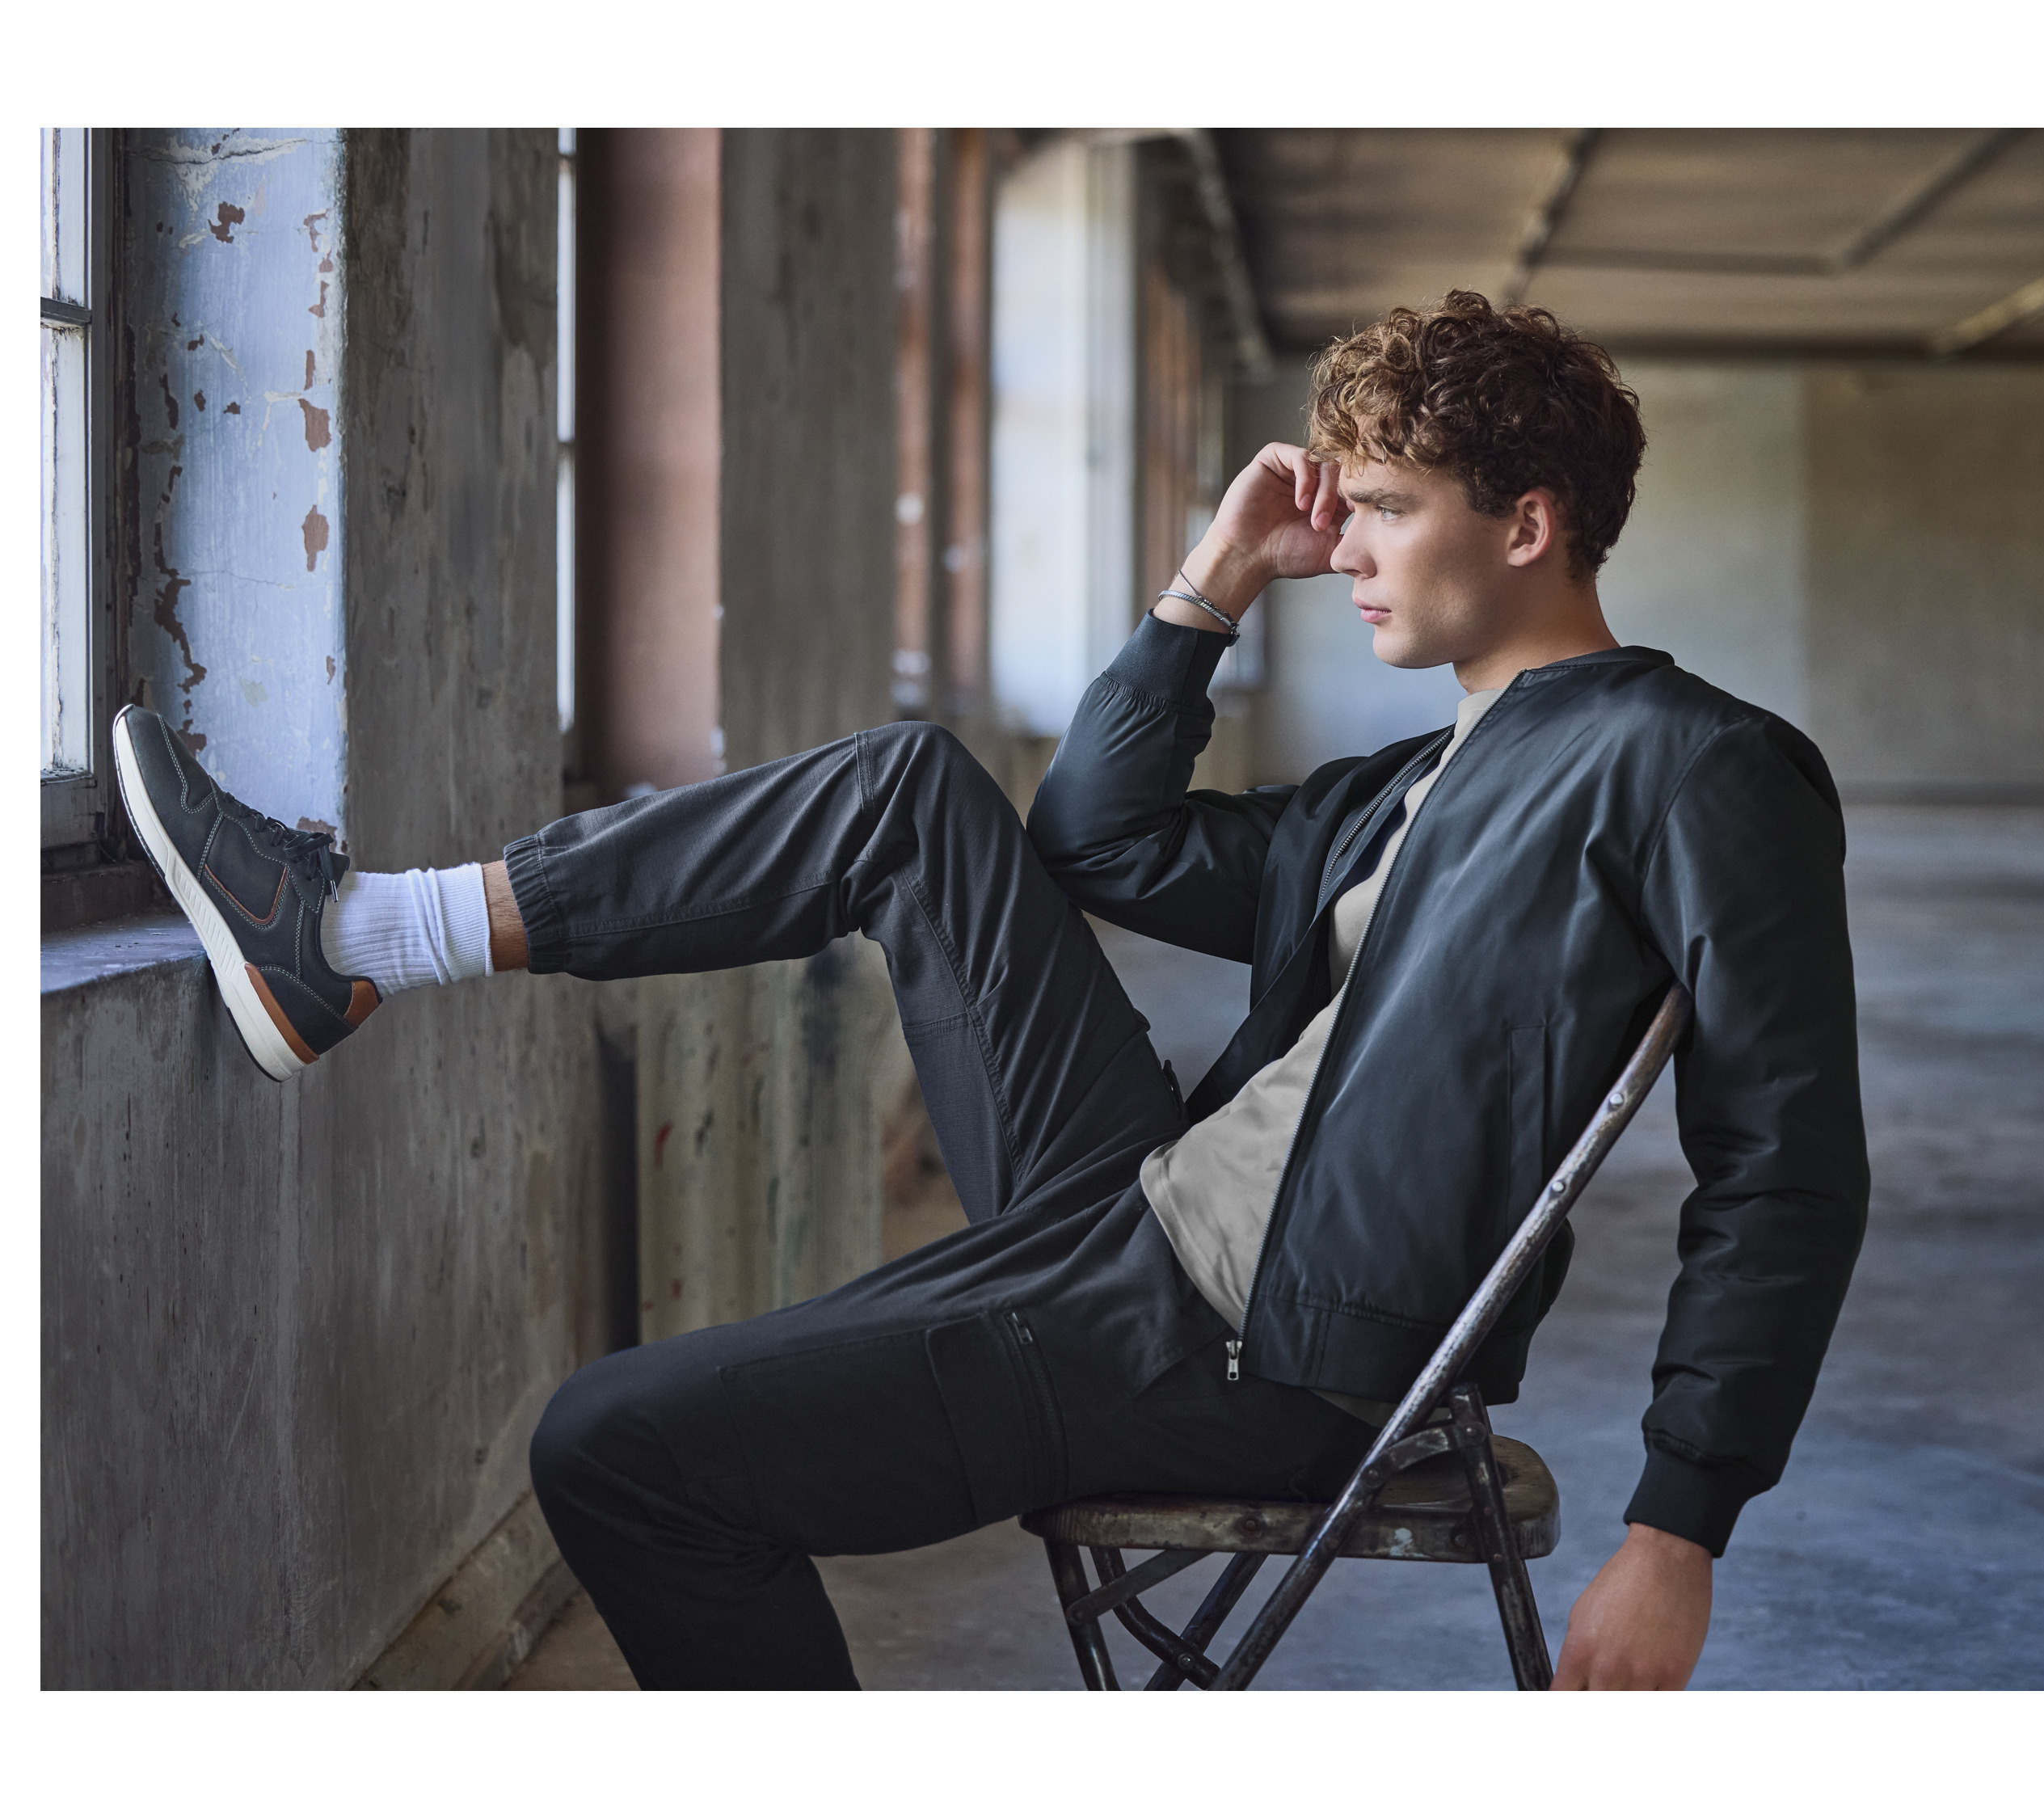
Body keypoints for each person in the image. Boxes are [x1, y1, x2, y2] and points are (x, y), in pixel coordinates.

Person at [112, 289, 1867, 1690]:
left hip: (1246, 1342)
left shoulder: (1690, 765)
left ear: (1532, 524)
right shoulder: (1407, 782)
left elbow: (1786, 1167)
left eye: (1390, 513)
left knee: (613, 1446)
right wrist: (1210, 584)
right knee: (908, 793)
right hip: (1141, 1206)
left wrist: (1679, 1526)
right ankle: (363, 941)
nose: (1346, 550)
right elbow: (1098, 839)